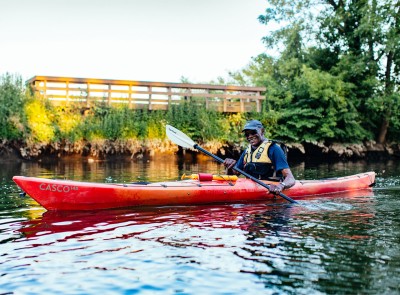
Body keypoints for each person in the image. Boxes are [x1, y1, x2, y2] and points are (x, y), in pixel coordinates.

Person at [223, 120, 295, 194]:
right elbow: (232, 177)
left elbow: (291, 178)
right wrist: (230, 167)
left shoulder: (274, 149)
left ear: (262, 131)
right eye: (247, 134)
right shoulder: (247, 151)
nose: (250, 136)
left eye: (253, 132)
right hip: (250, 188)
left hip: (271, 189)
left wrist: (280, 186)